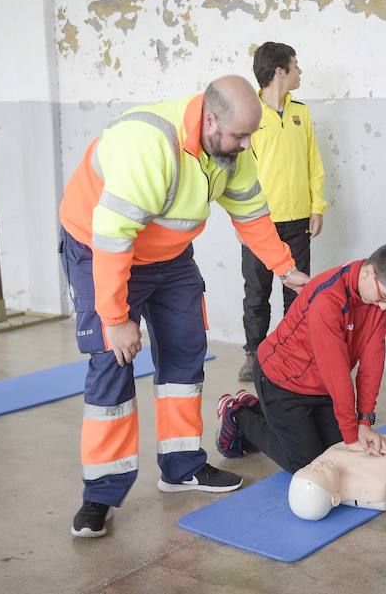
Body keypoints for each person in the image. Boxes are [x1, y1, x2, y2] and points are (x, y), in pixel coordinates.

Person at [59, 75, 309, 538]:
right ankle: (100, 494)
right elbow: (113, 237)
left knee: (185, 351)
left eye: (250, 135)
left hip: (169, 255)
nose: (246, 144)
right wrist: (115, 319)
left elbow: (251, 213)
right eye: (240, 135)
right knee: (114, 362)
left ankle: (180, 467)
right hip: (103, 249)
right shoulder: (150, 144)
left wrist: (284, 268)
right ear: (210, 120)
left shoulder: (231, 150)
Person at [216, 244, 386, 473]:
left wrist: (364, 421)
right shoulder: (328, 299)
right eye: (384, 297)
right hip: (282, 382)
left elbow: (372, 363)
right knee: (309, 466)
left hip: (321, 389)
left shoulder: (376, 295)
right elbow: (336, 373)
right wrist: (351, 436)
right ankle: (238, 414)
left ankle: (258, 408)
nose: (385, 306)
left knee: (336, 455)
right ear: (368, 272)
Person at [239, 41, 326, 383]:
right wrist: (243, 220)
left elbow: (313, 163)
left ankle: (292, 350)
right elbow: (238, 171)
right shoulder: (251, 115)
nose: (299, 70)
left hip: (298, 220)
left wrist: (317, 206)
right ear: (280, 71)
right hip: (259, 223)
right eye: (296, 64)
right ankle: (253, 355)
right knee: (257, 292)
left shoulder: (301, 112)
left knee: (297, 291)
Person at [288, 435, 386, 520]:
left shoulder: (326, 462)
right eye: (320, 471)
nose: (318, 463)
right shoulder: (375, 488)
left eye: (308, 466)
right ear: (336, 499)